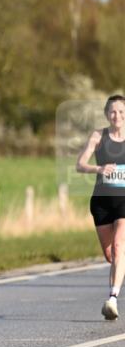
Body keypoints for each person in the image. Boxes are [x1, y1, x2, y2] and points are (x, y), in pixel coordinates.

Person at [75, 94, 125, 321]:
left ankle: (112, 299)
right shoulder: (98, 136)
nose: (118, 116)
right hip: (102, 201)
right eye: (113, 112)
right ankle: (119, 273)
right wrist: (99, 169)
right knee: (110, 255)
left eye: (122, 112)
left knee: (118, 246)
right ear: (107, 114)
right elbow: (80, 164)